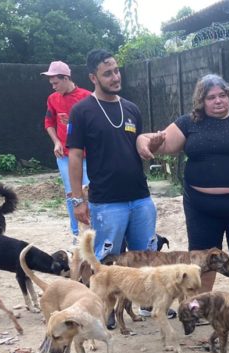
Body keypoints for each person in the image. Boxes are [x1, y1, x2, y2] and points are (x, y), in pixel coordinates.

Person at [136, 74, 229, 292]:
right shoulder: (188, 123)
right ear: (201, 101)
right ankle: (201, 306)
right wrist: (143, 140)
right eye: (211, 97)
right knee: (202, 259)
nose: (218, 101)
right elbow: (160, 142)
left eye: (222, 95)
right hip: (201, 208)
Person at [66, 49, 156, 262]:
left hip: (140, 199)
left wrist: (149, 146)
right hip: (107, 202)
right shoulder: (81, 111)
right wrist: (77, 200)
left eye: (116, 71)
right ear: (93, 78)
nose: (115, 77)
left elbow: (134, 147)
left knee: (147, 262)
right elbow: (75, 157)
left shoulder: (131, 109)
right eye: (108, 73)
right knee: (106, 265)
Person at [41, 60, 91, 240]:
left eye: (56, 83)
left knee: (88, 191)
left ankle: (91, 229)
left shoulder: (87, 97)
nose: (53, 87)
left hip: (86, 156)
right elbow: (49, 123)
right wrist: (56, 141)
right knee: (71, 193)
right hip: (64, 156)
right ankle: (77, 233)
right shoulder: (53, 99)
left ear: (66, 78)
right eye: (51, 84)